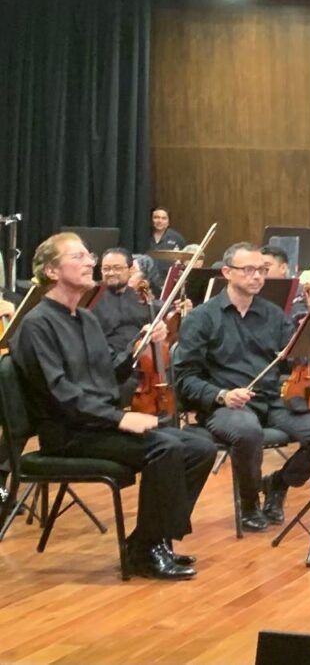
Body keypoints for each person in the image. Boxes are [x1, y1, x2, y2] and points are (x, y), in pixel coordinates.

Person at [11, 232, 215, 580]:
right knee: (165, 447)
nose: (90, 262)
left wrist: (140, 345)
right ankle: (147, 551)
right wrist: (119, 418)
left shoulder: (86, 318)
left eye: (88, 255)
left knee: (200, 447)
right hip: (69, 433)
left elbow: (110, 372)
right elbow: (60, 394)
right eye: (78, 257)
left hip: (98, 425)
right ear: (52, 271)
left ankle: (149, 541)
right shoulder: (37, 325)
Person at [174, 242, 310, 533]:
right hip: (225, 406)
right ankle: (249, 504)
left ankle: (278, 483)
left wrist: (309, 338)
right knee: (247, 431)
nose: (257, 276)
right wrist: (222, 395)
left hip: (272, 401)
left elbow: (293, 362)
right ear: (227, 272)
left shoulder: (274, 315)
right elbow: (185, 379)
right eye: (249, 270)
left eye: (262, 270)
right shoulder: (202, 318)